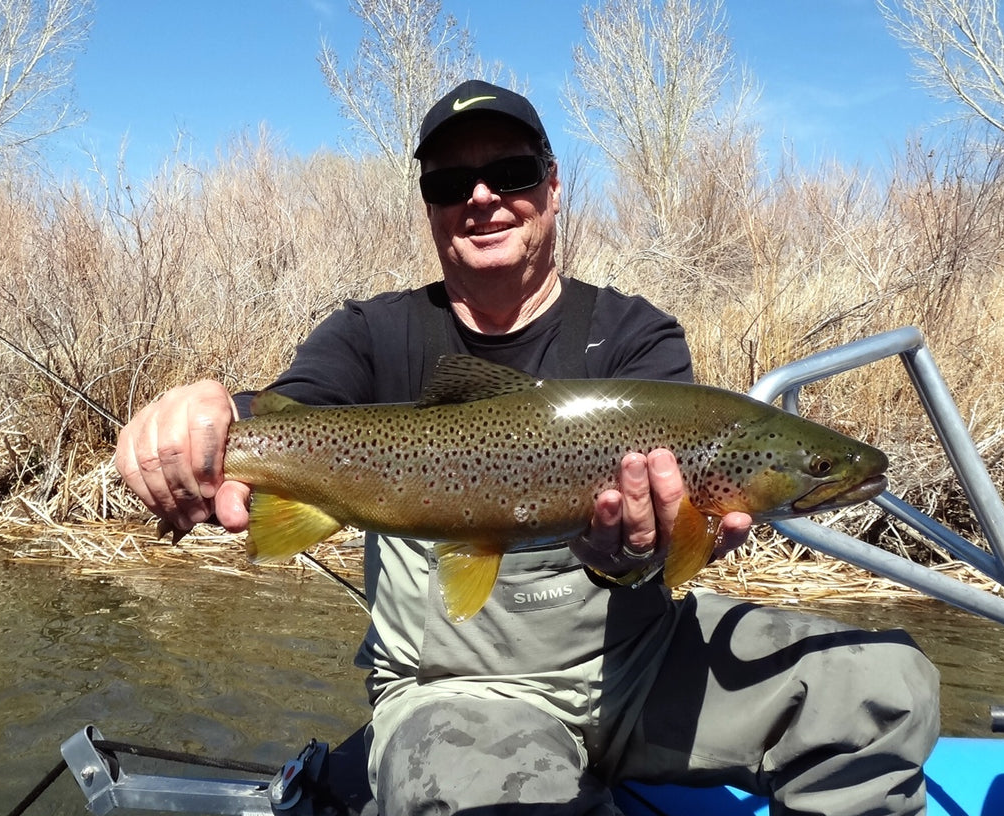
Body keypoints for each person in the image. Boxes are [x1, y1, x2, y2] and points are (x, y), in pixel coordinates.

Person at [116, 80, 940, 815]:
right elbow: (279, 413)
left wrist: (632, 554)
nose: (481, 198)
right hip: (457, 690)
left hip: (637, 665)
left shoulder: (635, 337)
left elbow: (652, 562)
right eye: (449, 183)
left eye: (509, 173)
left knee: (885, 687)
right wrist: (205, 414)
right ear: (431, 206)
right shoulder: (371, 335)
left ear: (551, 185)